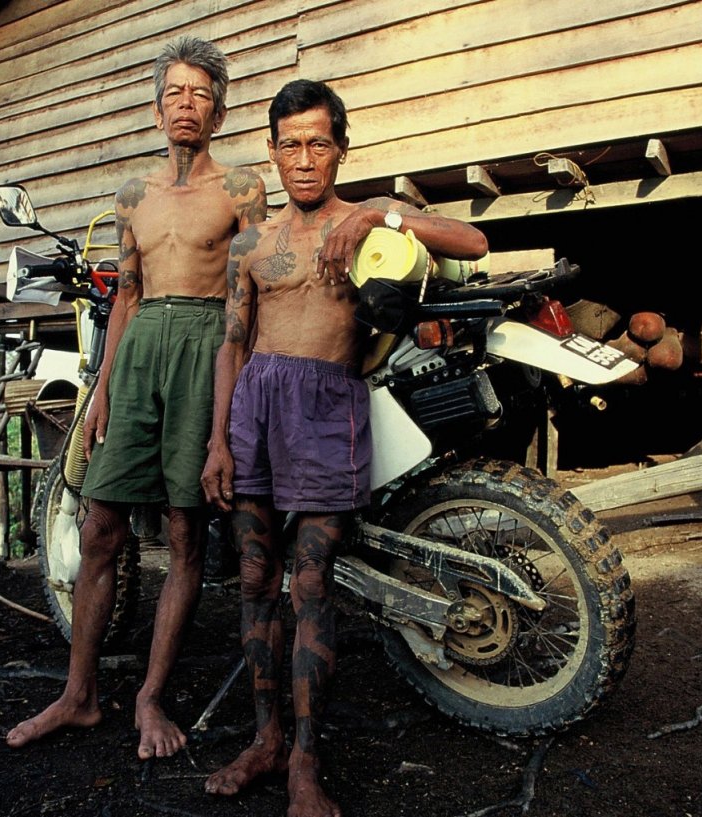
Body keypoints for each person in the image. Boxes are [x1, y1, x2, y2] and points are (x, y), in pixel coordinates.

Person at [200, 79, 487, 817]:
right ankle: (264, 739)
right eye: (289, 144)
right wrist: (217, 441)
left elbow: (473, 240)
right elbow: (232, 343)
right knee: (256, 578)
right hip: (254, 412)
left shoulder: (368, 226)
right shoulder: (250, 244)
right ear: (271, 150)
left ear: (340, 149)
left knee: (313, 583)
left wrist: (377, 213)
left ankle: (304, 760)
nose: (303, 159)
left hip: (329, 409)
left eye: (318, 143)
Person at [6, 36, 267, 760]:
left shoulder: (241, 188)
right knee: (99, 527)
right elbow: (125, 294)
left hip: (206, 345)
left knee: (185, 534)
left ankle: (149, 695)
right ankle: (78, 693)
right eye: (175, 93)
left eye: (201, 94)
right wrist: (100, 393)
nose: (188, 105)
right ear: (158, 108)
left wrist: (226, 424)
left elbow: (243, 302)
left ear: (218, 111)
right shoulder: (133, 195)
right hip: (142, 346)